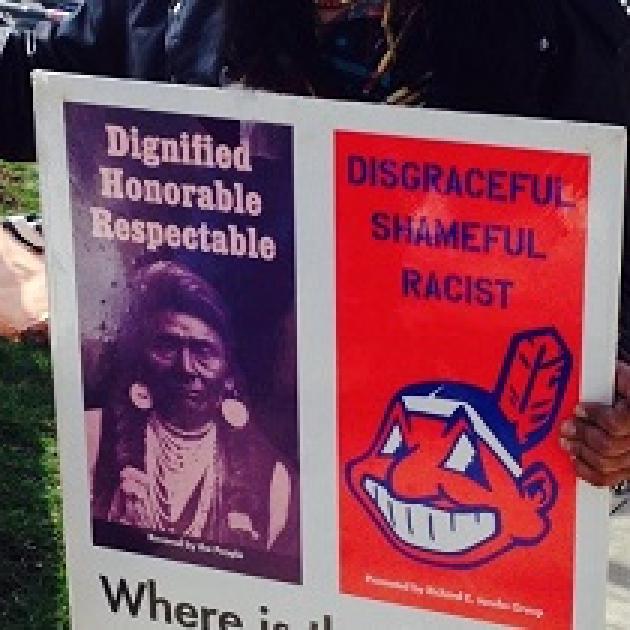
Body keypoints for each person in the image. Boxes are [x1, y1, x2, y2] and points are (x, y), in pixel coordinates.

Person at [1, 0, 629, 487]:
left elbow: (617, 196)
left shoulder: (548, 20)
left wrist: (620, 366)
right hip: (257, 418)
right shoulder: (166, 10)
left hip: (448, 430)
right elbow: (39, 79)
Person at [86, 260, 296, 552]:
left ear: (229, 376)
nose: (185, 368)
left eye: (203, 351)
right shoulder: (93, 438)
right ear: (141, 360)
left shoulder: (272, 478)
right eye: (167, 346)